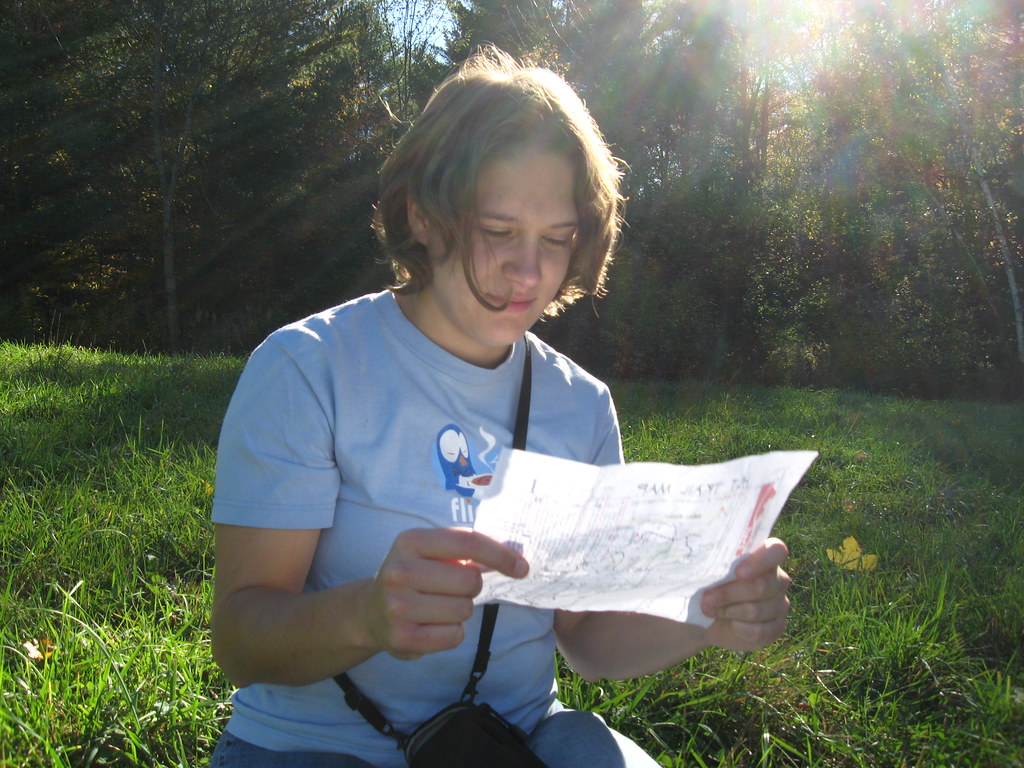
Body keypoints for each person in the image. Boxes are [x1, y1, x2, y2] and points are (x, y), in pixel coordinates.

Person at [208, 46, 792, 768]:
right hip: (309, 747)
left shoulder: (580, 407)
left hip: (512, 742)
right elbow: (239, 640)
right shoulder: (308, 369)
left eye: (556, 239)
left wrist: (705, 612)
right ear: (422, 215)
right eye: (498, 232)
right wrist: (364, 613)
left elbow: (585, 638)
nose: (530, 272)